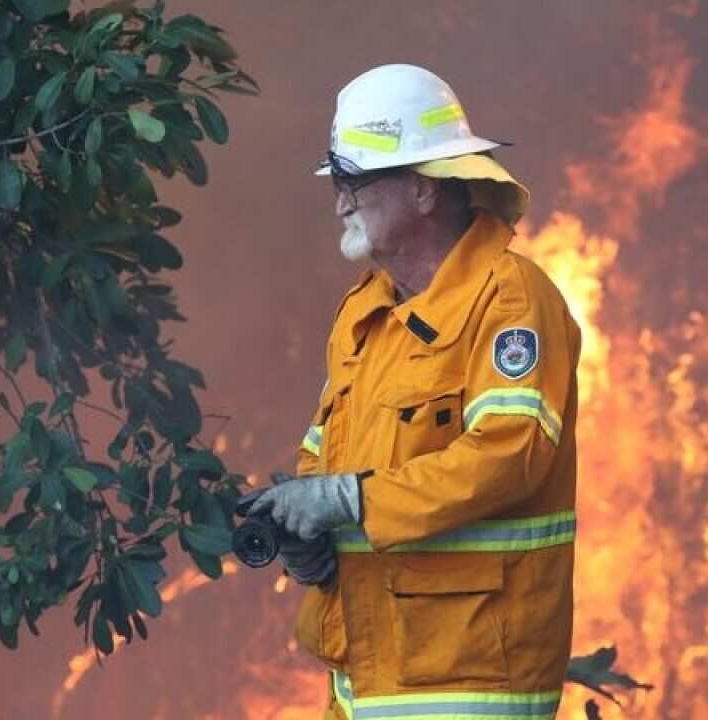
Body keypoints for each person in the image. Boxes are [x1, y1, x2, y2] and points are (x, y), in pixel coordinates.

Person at [249, 63, 581, 720]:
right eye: (337, 183)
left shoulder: (510, 301)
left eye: (356, 181)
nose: (339, 200)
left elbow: (509, 457)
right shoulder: (363, 315)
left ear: (424, 190)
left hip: (468, 683)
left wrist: (347, 499)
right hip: (365, 684)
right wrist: (309, 536)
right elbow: (325, 456)